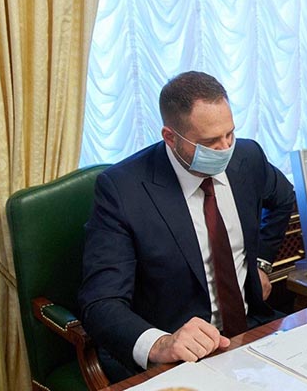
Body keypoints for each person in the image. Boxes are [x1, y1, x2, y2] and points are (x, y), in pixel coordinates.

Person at [79, 71, 295, 381]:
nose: (225, 149)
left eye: (230, 134)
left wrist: (261, 263)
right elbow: (101, 302)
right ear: (170, 137)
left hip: (252, 328)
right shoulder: (123, 190)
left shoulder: (247, 157)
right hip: (179, 355)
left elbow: (284, 199)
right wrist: (161, 344)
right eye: (209, 142)